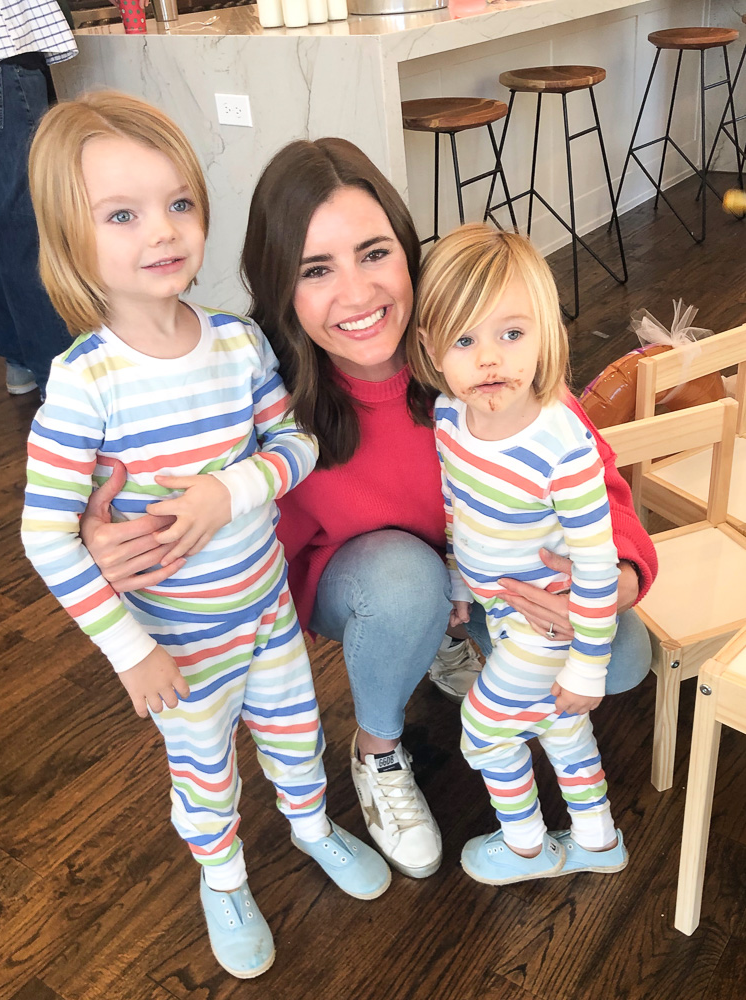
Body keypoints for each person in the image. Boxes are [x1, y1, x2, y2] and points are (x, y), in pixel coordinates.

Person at [78, 137, 658, 885]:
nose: (355, 294)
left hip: (495, 578)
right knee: (404, 581)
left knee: (623, 655)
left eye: (374, 253)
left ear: (409, 255)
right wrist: (107, 534)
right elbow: (161, 456)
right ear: (280, 283)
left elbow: (593, 479)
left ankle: (445, 642)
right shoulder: (258, 389)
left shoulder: (477, 349)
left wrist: (618, 580)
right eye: (317, 270)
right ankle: (378, 749)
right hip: (365, 583)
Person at [20, 93, 389, 981]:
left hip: (265, 616)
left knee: (296, 733)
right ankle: (223, 878)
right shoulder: (84, 386)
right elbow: (46, 536)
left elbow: (296, 444)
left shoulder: (237, 344)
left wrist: (231, 491)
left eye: (179, 203)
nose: (164, 231)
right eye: (123, 213)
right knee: (207, 770)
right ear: (72, 238)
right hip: (180, 650)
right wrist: (129, 652)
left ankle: (309, 828)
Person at [408, 224, 629, 884]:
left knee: (484, 730)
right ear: (431, 349)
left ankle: (527, 846)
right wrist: (455, 582)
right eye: (465, 340)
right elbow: (458, 510)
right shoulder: (450, 418)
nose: (490, 360)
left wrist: (588, 666)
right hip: (501, 616)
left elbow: (595, 563)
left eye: (512, 333)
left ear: (544, 336)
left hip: (549, 624)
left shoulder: (563, 445)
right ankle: (597, 836)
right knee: (559, 728)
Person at [0, 0, 75, 397]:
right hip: (3, 50)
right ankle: (61, 383)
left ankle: (20, 357)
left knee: (7, 225)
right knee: (27, 228)